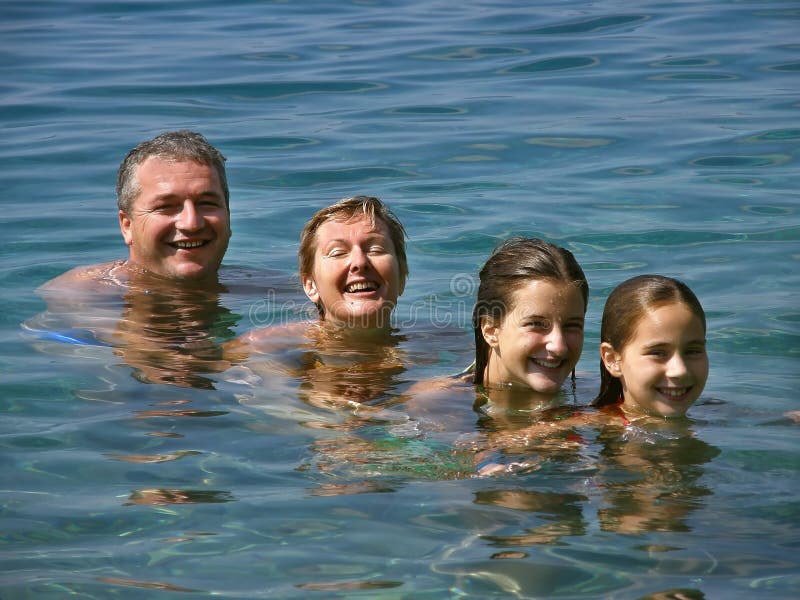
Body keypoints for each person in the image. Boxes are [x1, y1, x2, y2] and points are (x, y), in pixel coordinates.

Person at [228, 196, 409, 407]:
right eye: (338, 252)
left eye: (375, 249)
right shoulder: (263, 347)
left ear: (402, 277)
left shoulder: (439, 346)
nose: (359, 262)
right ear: (310, 286)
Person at [39, 130, 231, 293]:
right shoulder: (85, 292)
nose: (191, 223)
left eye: (207, 203)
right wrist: (247, 340)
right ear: (127, 226)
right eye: (165, 207)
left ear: (228, 217)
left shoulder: (256, 288)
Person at [594, 274, 709, 419]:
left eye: (692, 351)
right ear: (612, 360)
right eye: (658, 353)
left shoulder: (725, 419)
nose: (680, 371)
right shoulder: (577, 436)